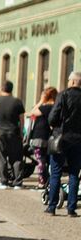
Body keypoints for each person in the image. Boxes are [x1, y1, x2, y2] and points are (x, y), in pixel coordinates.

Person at [46, 72, 81, 217]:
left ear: (72, 81)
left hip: (61, 139)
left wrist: (55, 125)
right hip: (78, 140)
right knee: (74, 174)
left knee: (56, 173)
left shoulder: (62, 95)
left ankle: (52, 206)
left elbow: (52, 117)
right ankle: (71, 208)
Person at [0, 81, 25, 189]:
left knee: (1, 157)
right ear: (11, 89)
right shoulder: (17, 101)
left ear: (1, 88)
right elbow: (22, 119)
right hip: (14, 132)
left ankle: (4, 181)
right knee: (16, 157)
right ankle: (18, 182)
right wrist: (22, 132)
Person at [28, 87, 57, 189]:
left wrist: (41, 101)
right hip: (50, 137)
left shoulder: (46, 107)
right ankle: (47, 181)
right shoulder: (55, 107)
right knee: (46, 161)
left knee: (41, 161)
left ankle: (42, 182)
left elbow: (32, 112)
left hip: (39, 136)